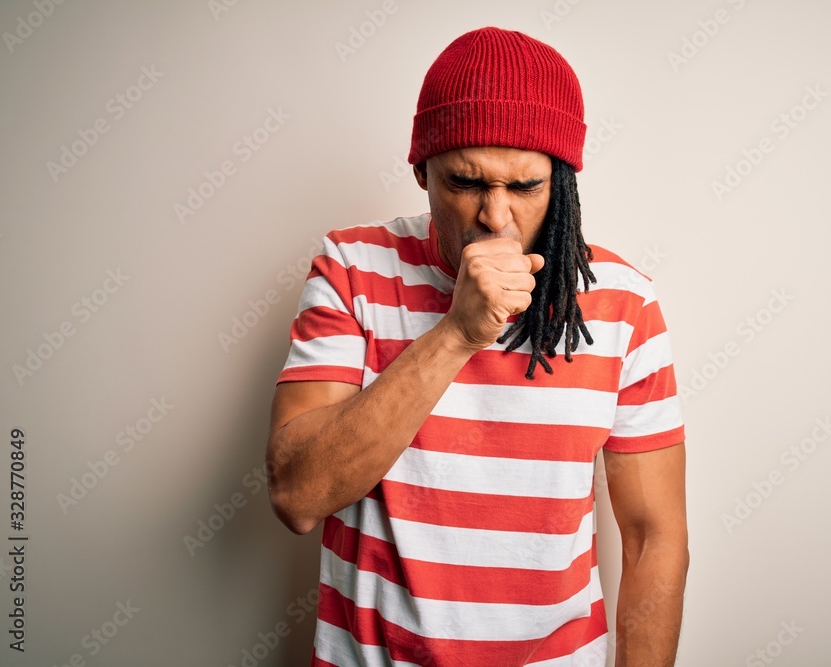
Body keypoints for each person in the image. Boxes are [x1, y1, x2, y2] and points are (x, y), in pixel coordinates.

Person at [266, 26, 688, 667]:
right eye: (465, 182)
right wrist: (458, 333)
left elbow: (654, 536)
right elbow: (297, 496)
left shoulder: (623, 302)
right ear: (420, 170)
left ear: (563, 185)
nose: (495, 217)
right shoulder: (351, 268)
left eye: (525, 188)